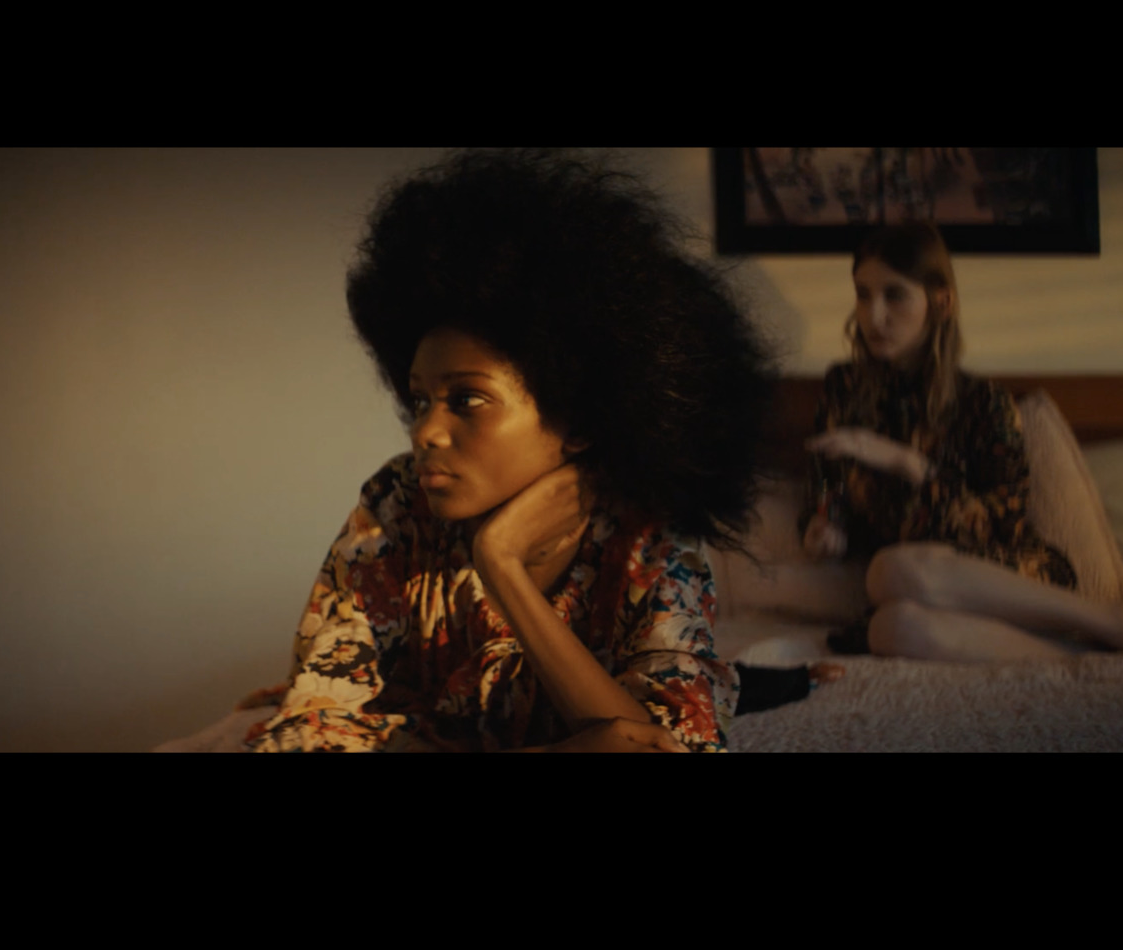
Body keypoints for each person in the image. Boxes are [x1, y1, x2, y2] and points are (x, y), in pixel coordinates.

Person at [241, 148, 818, 754]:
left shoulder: (646, 535)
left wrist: (502, 565)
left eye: (466, 399)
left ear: (578, 419)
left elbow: (672, 747)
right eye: (419, 401)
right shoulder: (397, 503)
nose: (425, 433)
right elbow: (307, 729)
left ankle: (759, 682)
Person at [805, 221, 1123, 660]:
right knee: (893, 628)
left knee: (891, 568)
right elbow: (828, 482)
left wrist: (908, 464)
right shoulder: (843, 389)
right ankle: (1082, 661)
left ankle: (1104, 619)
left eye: (894, 295)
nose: (873, 316)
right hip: (914, 596)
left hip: (1005, 576)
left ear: (940, 302)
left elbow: (1001, 527)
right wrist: (827, 523)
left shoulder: (984, 403)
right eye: (863, 294)